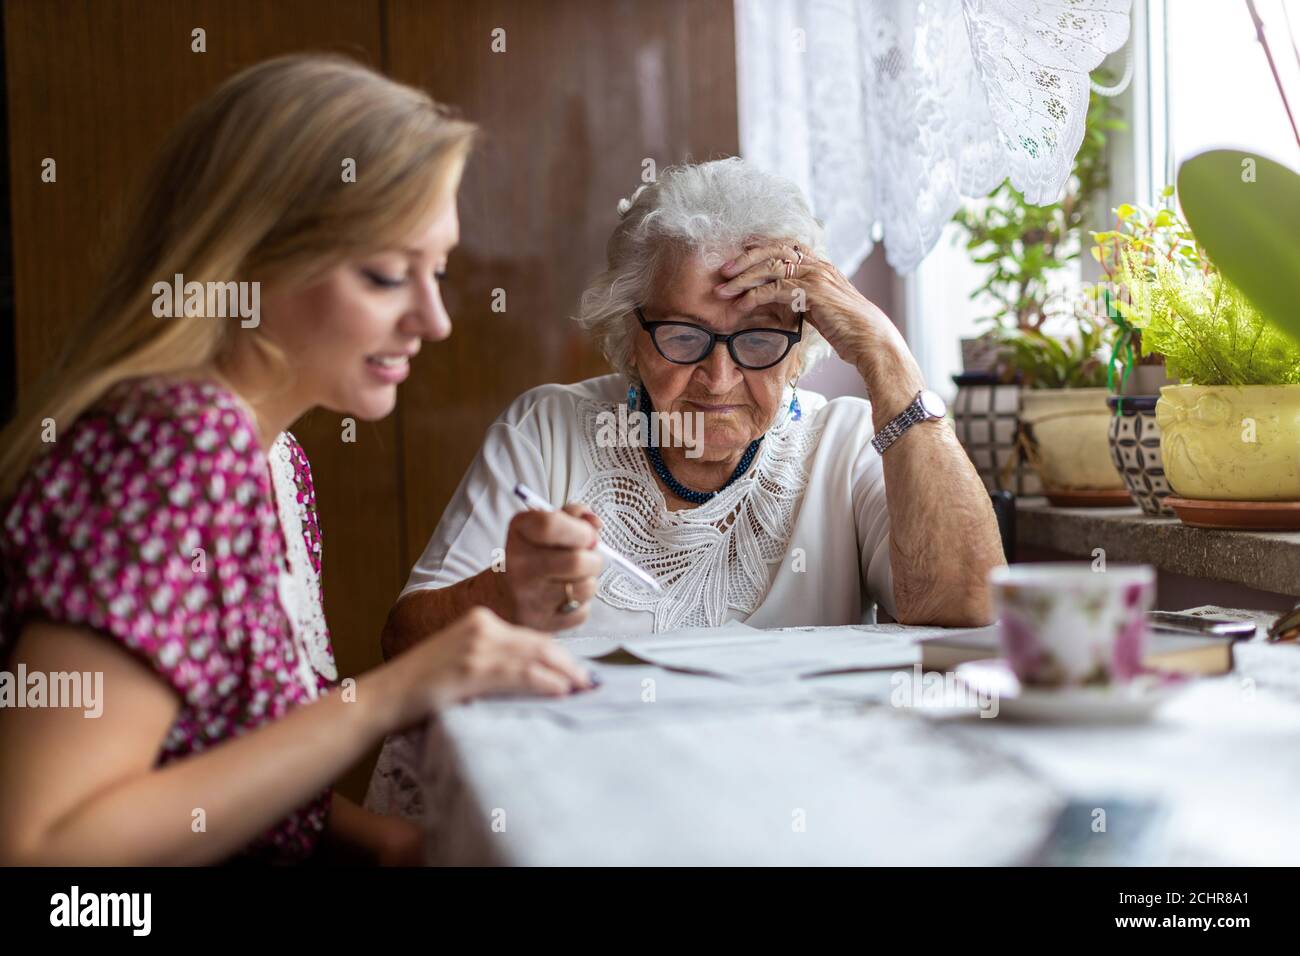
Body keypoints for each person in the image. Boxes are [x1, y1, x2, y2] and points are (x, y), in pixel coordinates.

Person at [0, 54, 592, 867]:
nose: (436, 318)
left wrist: (388, 845)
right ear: (247, 262)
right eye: (387, 274)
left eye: (441, 271)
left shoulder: (276, 460)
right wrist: (394, 693)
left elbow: (215, 768)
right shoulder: (174, 449)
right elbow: (48, 853)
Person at [367, 157, 1004, 819]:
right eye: (682, 336)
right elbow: (405, 646)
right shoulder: (550, 428)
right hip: (570, 806)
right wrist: (510, 595)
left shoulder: (842, 445)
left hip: (786, 805)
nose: (719, 378)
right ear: (631, 337)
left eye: (758, 339)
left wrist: (886, 355)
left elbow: (972, 613)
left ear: (798, 342)